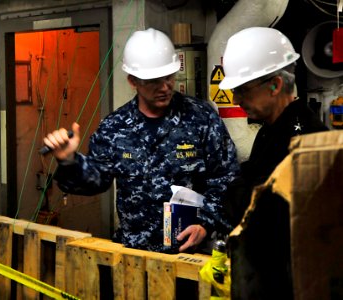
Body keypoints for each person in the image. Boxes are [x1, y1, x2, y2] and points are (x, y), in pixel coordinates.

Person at [43, 28, 240, 253]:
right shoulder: (114, 127)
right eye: (154, 81)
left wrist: (206, 223)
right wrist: (69, 161)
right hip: (134, 253)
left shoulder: (201, 118)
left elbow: (227, 178)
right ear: (133, 80)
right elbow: (96, 181)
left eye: (168, 77)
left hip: (189, 252)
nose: (165, 87)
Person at [219, 27, 329, 300]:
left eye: (242, 90)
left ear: (275, 85)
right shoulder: (271, 130)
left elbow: (259, 214)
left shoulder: (303, 140)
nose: (235, 99)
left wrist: (238, 191)